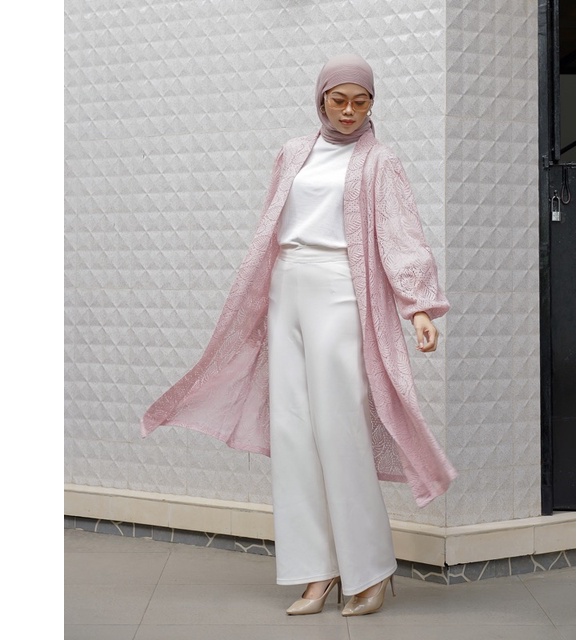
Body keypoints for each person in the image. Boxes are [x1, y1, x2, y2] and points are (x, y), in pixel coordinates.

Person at [141, 53, 456, 617]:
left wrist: (419, 309)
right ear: (321, 100)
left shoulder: (379, 162)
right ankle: (317, 570)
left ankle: (370, 569)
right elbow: (272, 225)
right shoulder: (292, 153)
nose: (349, 111)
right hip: (286, 287)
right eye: (339, 100)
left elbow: (401, 234)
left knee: (340, 427)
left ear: (372, 105)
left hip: (340, 290)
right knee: (291, 429)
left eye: (361, 102)